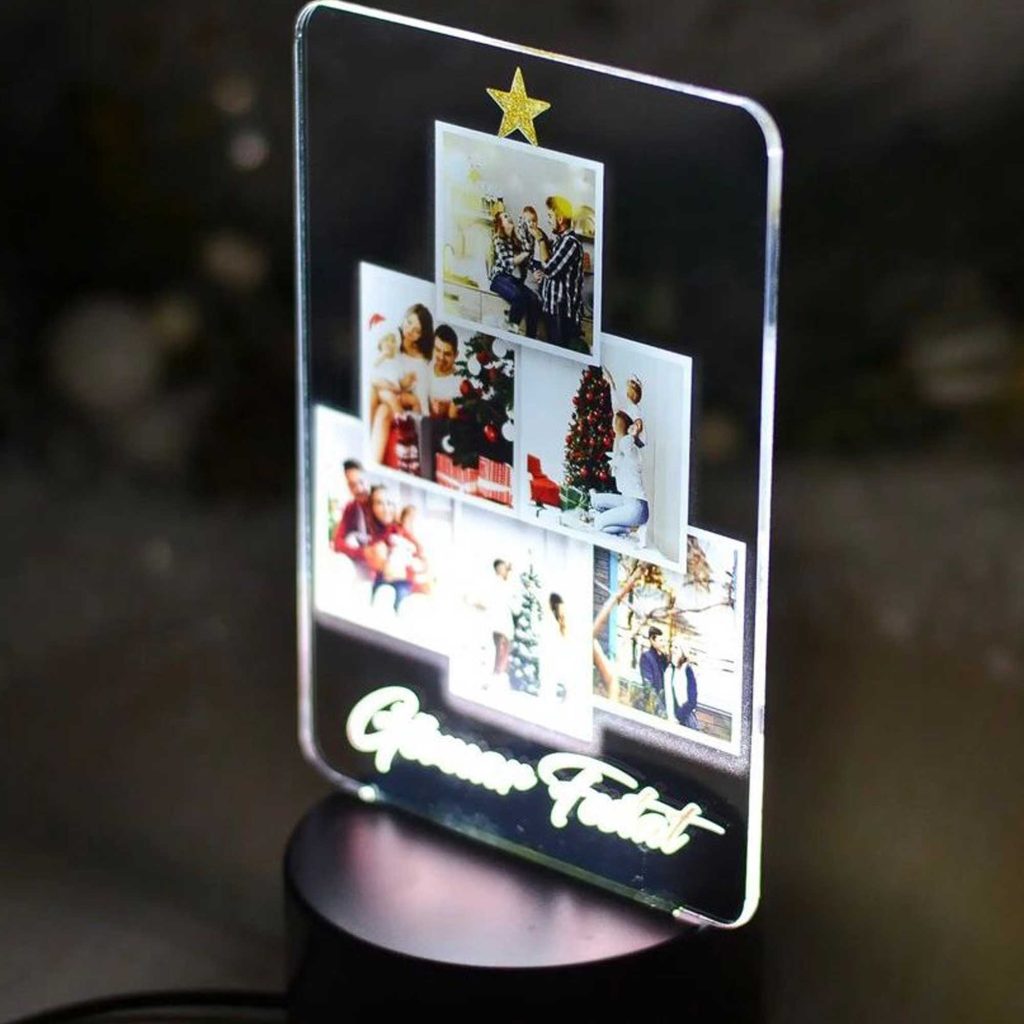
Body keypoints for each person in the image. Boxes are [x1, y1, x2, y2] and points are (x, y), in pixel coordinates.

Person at [370, 303, 433, 464]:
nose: (410, 330)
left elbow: (420, 395)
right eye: (409, 322)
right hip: (386, 392)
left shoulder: (421, 360)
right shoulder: (391, 339)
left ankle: (372, 463)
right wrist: (395, 386)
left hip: (404, 402)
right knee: (375, 394)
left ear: (422, 335)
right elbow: (373, 373)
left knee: (383, 409)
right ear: (404, 318)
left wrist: (424, 419)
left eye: (417, 330)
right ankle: (370, 456)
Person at [533, 195, 585, 349]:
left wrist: (540, 239)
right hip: (551, 309)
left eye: (550, 216)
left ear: (560, 219)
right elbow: (552, 270)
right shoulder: (559, 241)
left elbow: (549, 269)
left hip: (562, 315)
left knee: (559, 350)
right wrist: (540, 274)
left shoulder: (570, 242)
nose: (548, 220)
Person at [589, 411, 650, 535]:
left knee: (598, 524)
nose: (614, 426)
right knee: (596, 500)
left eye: (616, 423)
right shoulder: (622, 452)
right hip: (626, 500)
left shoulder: (633, 451)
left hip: (636, 508)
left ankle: (630, 529)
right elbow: (616, 458)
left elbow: (625, 443)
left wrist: (632, 433)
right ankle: (612, 519)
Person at [489, 211, 538, 336]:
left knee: (534, 299)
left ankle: (530, 338)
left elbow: (528, 259)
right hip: (499, 278)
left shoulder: (516, 241)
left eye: (509, 215)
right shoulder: (498, 239)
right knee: (519, 297)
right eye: (505, 217)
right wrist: (525, 254)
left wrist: (535, 270)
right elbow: (507, 263)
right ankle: (511, 333)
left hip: (513, 281)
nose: (509, 217)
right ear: (501, 224)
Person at [331, 459, 371, 563]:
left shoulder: (380, 502)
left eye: (361, 482)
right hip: (364, 559)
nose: (359, 489)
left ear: (368, 480)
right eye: (352, 485)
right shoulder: (351, 508)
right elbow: (337, 541)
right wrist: (362, 553)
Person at [485, 559, 517, 679]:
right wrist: (510, 576)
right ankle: (496, 676)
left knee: (502, 654)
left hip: (504, 627)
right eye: (503, 568)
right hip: (500, 626)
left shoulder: (503, 584)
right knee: (500, 654)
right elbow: (510, 603)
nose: (505, 570)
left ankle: (498, 675)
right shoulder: (498, 584)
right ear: (498, 569)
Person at [602, 366, 644, 448]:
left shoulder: (634, 409)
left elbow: (638, 424)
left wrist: (634, 431)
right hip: (619, 437)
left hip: (625, 439)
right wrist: (611, 383)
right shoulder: (626, 405)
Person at [666, 641, 700, 730]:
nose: (672, 649)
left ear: (683, 652)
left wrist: (678, 716)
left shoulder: (687, 670)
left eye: (676, 647)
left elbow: (692, 700)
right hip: (670, 719)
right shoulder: (669, 669)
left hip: (684, 719)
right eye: (672, 646)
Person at [639, 627, 671, 713]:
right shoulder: (646, 657)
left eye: (665, 641)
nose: (663, 644)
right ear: (652, 640)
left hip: (665, 704)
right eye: (661, 640)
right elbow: (648, 685)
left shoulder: (663, 659)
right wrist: (660, 709)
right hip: (653, 706)